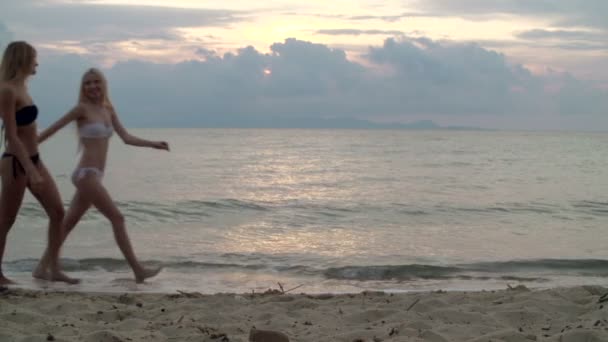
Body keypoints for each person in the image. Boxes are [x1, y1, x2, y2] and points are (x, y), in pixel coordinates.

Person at [35, 67, 168, 283]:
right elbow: (53, 129)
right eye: (87, 83)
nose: (92, 86)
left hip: (96, 175)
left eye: (96, 82)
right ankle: (138, 270)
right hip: (85, 174)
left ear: (103, 84)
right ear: (83, 88)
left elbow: (126, 137)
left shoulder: (109, 110)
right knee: (117, 218)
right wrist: (27, 148)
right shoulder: (81, 109)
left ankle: (42, 267)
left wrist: (153, 144)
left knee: (67, 224)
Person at [0, 41, 75, 285]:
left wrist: (35, 164)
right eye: (34, 58)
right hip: (16, 162)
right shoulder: (7, 90)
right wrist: (30, 169)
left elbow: (28, 131)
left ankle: (49, 268)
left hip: (33, 159)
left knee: (57, 212)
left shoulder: (22, 87)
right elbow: (12, 136)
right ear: (22, 60)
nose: (37, 63)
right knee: (6, 220)